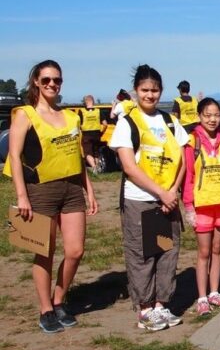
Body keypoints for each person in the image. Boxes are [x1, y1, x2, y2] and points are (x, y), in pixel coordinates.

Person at [3, 60, 98, 333]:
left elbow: (77, 158)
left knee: (75, 250)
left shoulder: (70, 116)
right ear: (35, 81)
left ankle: (59, 300)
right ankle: (45, 309)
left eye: (57, 80)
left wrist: (89, 189)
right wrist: (22, 196)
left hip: (71, 189)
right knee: (44, 252)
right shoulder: (24, 114)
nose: (52, 84)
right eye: (46, 80)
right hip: (39, 190)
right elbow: (15, 158)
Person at [109, 64, 188, 331]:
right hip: (140, 199)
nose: (150, 95)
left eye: (155, 90)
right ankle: (144, 309)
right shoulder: (127, 122)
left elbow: (183, 161)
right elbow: (129, 166)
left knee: (166, 250)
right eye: (145, 90)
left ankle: (161, 305)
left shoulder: (170, 122)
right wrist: (161, 193)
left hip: (168, 199)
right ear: (136, 91)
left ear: (161, 91)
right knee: (142, 254)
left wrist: (173, 192)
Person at [182, 97, 220, 316]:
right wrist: (188, 206)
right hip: (202, 206)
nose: (212, 119)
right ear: (199, 116)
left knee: (217, 249)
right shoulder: (192, 141)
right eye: (207, 115)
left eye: (216, 115)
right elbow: (188, 175)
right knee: (204, 251)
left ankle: (215, 292)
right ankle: (201, 297)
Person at [78, 95, 103, 172]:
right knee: (96, 152)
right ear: (93, 101)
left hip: (86, 134)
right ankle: (98, 167)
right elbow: (105, 123)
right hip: (97, 134)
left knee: (87, 152)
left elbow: (78, 123)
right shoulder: (98, 111)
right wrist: (102, 132)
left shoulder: (81, 111)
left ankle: (94, 167)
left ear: (85, 102)